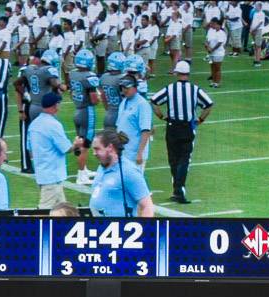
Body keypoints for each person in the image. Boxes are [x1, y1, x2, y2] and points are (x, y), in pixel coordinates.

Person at [150, 61, 212, 204]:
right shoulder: (195, 89)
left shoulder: (169, 89)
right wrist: (200, 120)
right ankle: (179, 188)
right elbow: (208, 105)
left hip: (172, 126)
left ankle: (177, 188)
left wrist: (161, 116)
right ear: (188, 74)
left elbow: (154, 101)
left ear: (177, 73)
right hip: (187, 127)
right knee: (184, 159)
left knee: (173, 159)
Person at [28, 91, 83, 209]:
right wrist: (76, 144)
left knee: (63, 211)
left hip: (43, 175)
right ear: (55, 105)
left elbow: (30, 150)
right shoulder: (53, 124)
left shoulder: (33, 125)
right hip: (53, 177)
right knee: (44, 212)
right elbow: (66, 148)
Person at [15, 49, 61, 173]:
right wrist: (20, 109)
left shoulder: (30, 70)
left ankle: (40, 163)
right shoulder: (29, 70)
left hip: (35, 105)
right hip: (30, 105)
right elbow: (17, 88)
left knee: (39, 135)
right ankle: (27, 165)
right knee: (30, 135)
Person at [89, 128, 154, 216]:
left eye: (97, 149)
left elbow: (147, 206)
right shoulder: (102, 167)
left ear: (110, 147)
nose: (94, 153)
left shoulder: (129, 172)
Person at [69, 47, 100, 186]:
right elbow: (94, 99)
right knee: (86, 144)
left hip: (77, 109)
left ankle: (84, 170)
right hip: (87, 111)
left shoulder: (73, 74)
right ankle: (81, 175)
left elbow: (72, 92)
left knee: (80, 141)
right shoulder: (89, 76)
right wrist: (98, 98)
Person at [116, 75, 153, 169]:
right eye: (123, 87)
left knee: (135, 182)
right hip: (124, 152)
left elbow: (145, 131)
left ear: (135, 87)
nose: (125, 90)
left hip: (134, 153)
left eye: (127, 87)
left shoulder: (142, 104)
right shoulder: (124, 102)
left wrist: (140, 153)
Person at [99, 49, 125, 128]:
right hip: (121, 115)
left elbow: (102, 96)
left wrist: (107, 108)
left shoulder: (104, 77)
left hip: (109, 113)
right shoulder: (122, 78)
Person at [205, 17, 227, 87]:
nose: (214, 26)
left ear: (219, 25)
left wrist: (212, 49)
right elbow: (208, 40)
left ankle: (217, 83)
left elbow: (219, 43)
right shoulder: (212, 31)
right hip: (211, 53)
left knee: (217, 68)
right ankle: (213, 81)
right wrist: (208, 47)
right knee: (212, 67)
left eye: (215, 24)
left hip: (218, 53)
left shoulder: (221, 33)